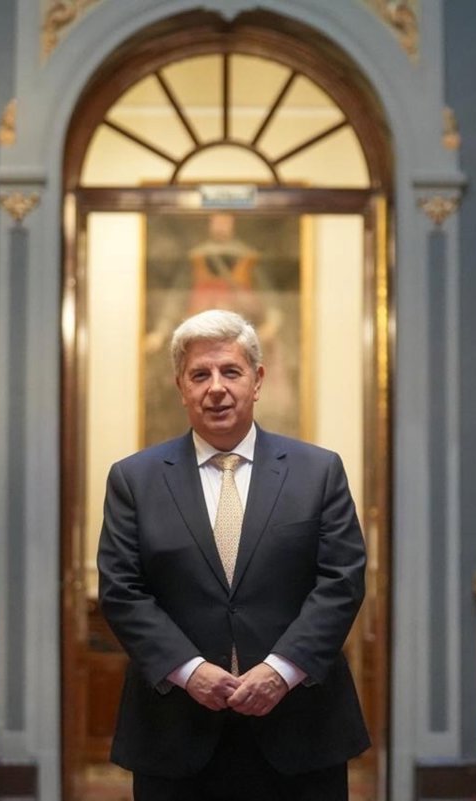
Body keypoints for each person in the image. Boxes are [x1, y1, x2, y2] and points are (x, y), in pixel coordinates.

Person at [98, 309, 369, 800]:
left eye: (231, 371)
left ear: (257, 380)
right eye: (200, 375)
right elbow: (121, 590)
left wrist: (281, 670)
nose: (216, 388)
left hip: (300, 728)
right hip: (176, 731)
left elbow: (341, 582)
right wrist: (189, 671)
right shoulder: (134, 480)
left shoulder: (318, 472)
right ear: (181, 387)